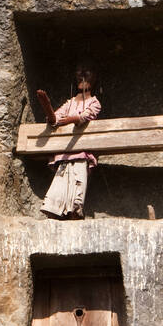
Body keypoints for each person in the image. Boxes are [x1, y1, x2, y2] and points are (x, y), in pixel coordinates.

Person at [39, 67, 102, 220]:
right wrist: (48, 110)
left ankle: (75, 210)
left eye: (87, 73)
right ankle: (56, 209)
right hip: (65, 152)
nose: (82, 77)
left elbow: (84, 117)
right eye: (79, 73)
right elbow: (56, 117)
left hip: (81, 152)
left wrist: (67, 120)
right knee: (61, 182)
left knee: (78, 181)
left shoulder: (94, 102)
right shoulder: (70, 103)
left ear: (94, 78)